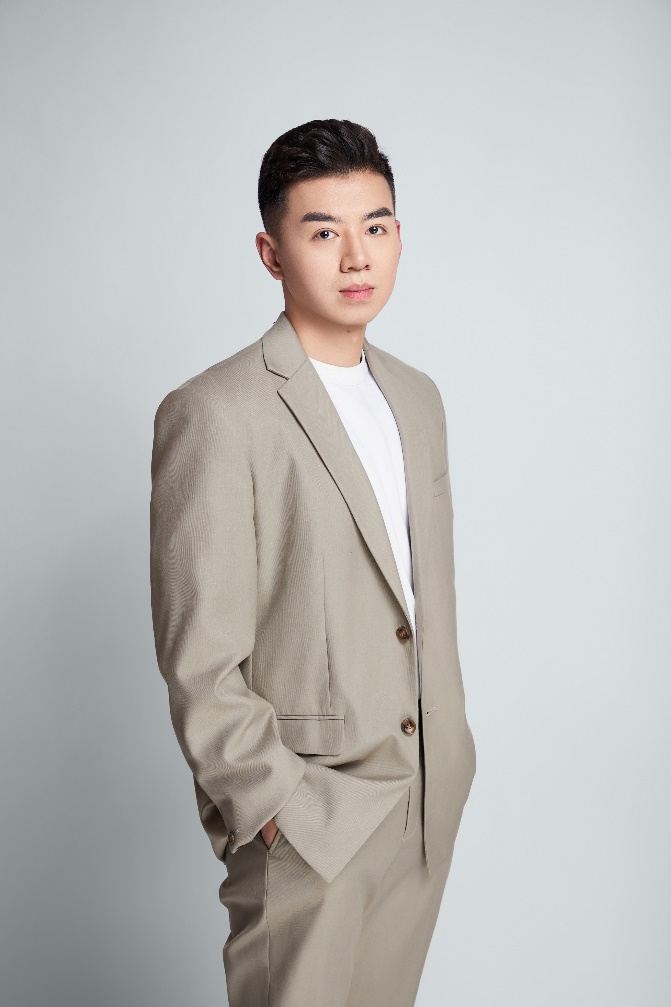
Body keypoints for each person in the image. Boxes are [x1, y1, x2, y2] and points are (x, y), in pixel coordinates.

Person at [149, 118, 476, 1006]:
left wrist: (449, 757)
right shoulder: (216, 411)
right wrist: (272, 807)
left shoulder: (417, 397)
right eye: (323, 231)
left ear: (399, 235)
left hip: (422, 802)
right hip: (308, 817)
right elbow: (198, 656)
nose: (356, 255)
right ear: (271, 252)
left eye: (375, 226)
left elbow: (417, 597)